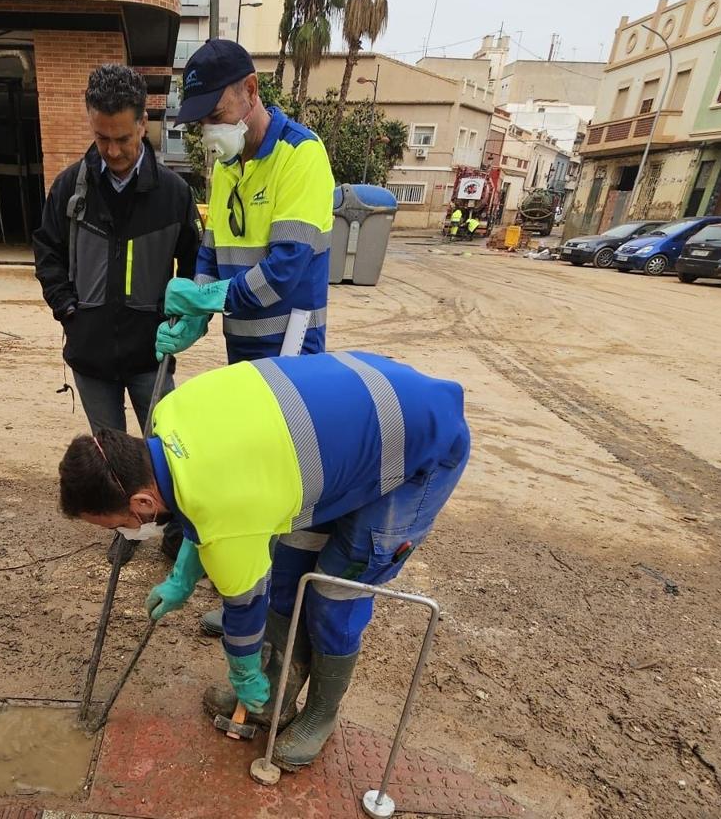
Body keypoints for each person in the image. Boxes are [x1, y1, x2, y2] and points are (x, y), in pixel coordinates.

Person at [57, 352, 471, 770]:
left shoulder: (225, 513)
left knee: (333, 592)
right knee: (290, 572)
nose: (127, 530)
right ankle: (277, 690)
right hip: (350, 423)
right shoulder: (171, 415)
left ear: (143, 502)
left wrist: (243, 673)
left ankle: (321, 712)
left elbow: (243, 606)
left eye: (120, 523)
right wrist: (182, 577)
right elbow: (199, 506)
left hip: (423, 443)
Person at [151, 39, 336, 633]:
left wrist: (209, 298)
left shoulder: (301, 156)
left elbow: (285, 268)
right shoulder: (226, 165)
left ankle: (271, 608)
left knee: (277, 478)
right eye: (201, 119)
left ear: (251, 92)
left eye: (217, 113)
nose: (210, 128)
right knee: (242, 465)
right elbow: (211, 246)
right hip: (242, 339)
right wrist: (197, 308)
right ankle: (242, 594)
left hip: (289, 340)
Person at [34, 64, 201, 563]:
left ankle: (173, 531)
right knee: (110, 453)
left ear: (143, 126)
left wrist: (184, 320)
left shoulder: (173, 193)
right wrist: (68, 309)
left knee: (166, 450)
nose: (112, 150)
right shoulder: (70, 188)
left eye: (123, 138)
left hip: (152, 354)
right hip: (91, 355)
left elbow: (195, 265)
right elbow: (47, 252)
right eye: (102, 137)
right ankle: (126, 527)